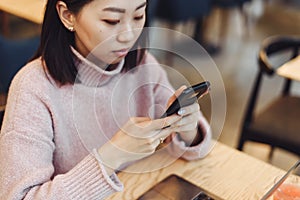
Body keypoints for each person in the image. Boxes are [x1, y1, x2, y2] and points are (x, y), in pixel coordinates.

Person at [0, 0, 212, 199]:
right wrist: (112, 156)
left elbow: (196, 150)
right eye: (112, 21)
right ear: (67, 15)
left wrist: (188, 129)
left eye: (139, 16)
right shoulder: (33, 88)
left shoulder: (143, 65)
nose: (129, 35)